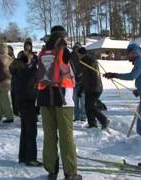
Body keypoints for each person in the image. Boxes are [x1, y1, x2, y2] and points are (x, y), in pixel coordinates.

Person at [37, 25, 82, 180]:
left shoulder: (43, 52)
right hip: (62, 98)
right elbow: (78, 72)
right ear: (63, 37)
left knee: (49, 136)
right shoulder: (65, 52)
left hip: (44, 97)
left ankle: (51, 170)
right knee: (66, 137)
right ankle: (70, 173)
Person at [10, 38, 42, 166]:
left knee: (25, 130)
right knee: (31, 130)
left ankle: (23, 156)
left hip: (22, 101)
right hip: (28, 101)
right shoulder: (27, 70)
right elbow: (33, 85)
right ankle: (30, 158)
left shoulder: (18, 69)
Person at [78, 47, 109, 129]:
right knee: (88, 106)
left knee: (90, 106)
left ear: (81, 54)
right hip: (95, 87)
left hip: (92, 88)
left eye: (78, 54)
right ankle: (92, 123)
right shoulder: (91, 60)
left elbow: (86, 77)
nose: (78, 56)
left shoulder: (85, 61)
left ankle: (104, 120)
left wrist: (81, 88)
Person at [70, 43, 86, 122]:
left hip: (83, 81)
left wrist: (82, 73)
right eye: (75, 48)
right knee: (75, 100)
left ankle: (83, 116)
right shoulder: (70, 57)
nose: (77, 50)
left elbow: (86, 68)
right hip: (73, 81)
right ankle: (76, 116)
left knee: (83, 100)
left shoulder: (83, 57)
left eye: (78, 48)